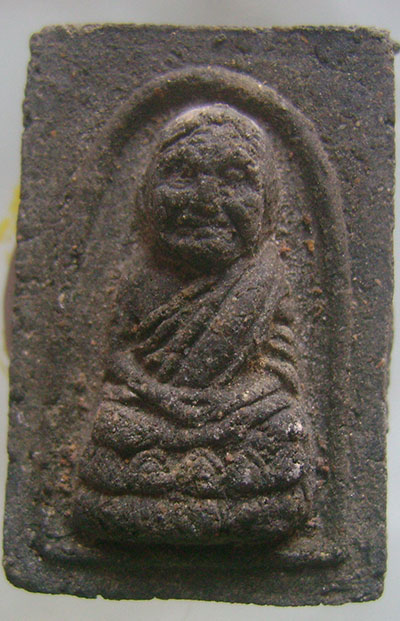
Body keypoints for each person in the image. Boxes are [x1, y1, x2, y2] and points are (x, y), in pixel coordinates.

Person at [73, 104, 315, 545]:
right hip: (153, 416)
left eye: (235, 178)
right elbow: (119, 357)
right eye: (182, 175)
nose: (205, 200)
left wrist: (229, 405)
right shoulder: (140, 279)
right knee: (114, 424)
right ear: (147, 193)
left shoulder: (267, 279)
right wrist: (162, 397)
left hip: (241, 417)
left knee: (284, 422)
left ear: (268, 200)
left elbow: (281, 369)